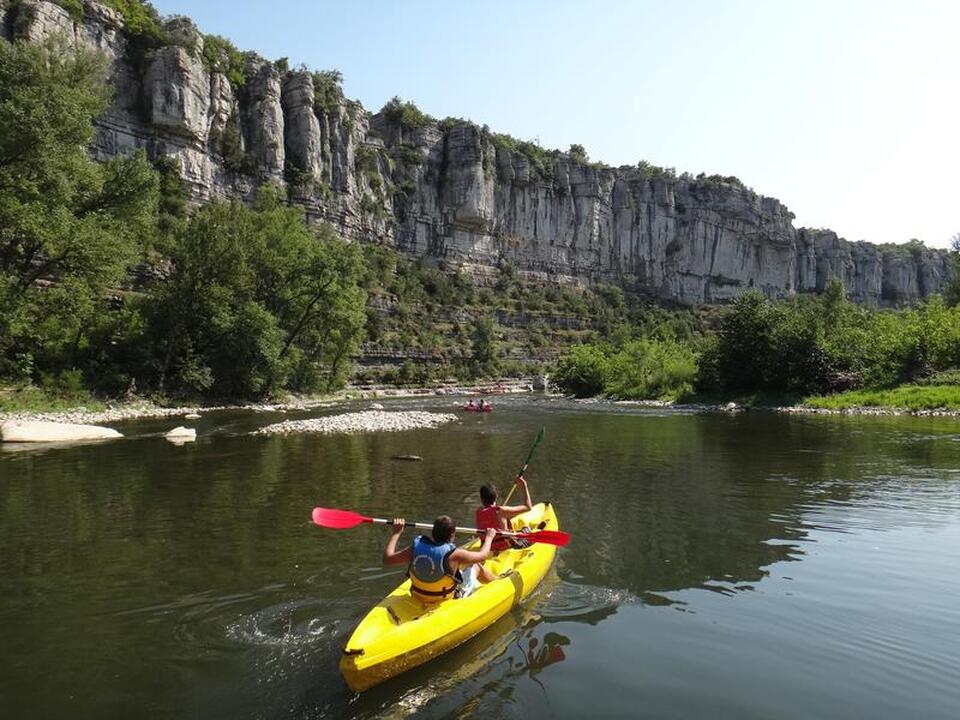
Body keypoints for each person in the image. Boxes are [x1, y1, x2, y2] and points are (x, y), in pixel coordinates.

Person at [383, 515, 498, 602]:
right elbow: (483, 555)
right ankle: (499, 582)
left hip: (418, 595)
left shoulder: (415, 548)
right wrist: (489, 537)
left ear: (433, 532)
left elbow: (387, 559)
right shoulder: (456, 555)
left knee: (455, 569)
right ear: (452, 534)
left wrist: (396, 533)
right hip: (444, 598)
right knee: (475, 566)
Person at [475, 475, 533, 552]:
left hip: (487, 547)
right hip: (504, 547)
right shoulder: (501, 511)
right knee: (527, 530)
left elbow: (491, 520)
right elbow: (528, 507)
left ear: (481, 499)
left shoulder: (478, 512)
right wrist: (524, 486)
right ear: (496, 496)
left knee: (512, 530)